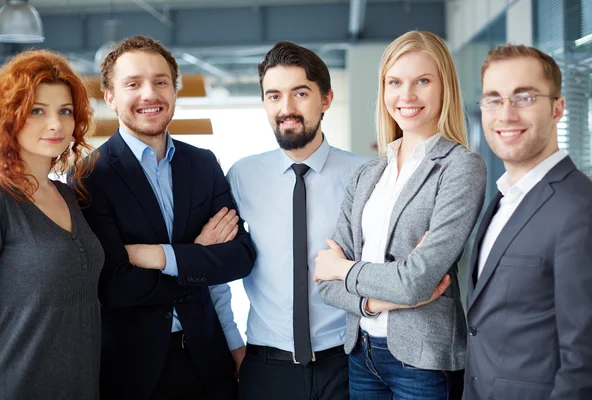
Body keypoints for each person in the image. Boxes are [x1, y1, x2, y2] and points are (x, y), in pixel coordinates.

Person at [76, 36, 256, 400]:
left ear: (174, 90)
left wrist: (162, 256)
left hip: (210, 362)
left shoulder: (203, 163)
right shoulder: (91, 175)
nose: (149, 94)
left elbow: (240, 257)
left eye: (160, 82)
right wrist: (197, 255)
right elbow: (114, 286)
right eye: (133, 84)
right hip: (133, 373)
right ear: (110, 96)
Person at [315, 30, 486, 400]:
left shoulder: (460, 167)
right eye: (395, 82)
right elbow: (323, 284)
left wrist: (342, 268)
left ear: (445, 88)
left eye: (422, 81)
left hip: (423, 360)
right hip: (362, 353)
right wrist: (380, 301)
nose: (406, 96)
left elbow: (416, 282)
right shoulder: (367, 174)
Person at [226, 41, 368, 400]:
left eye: (300, 93)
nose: (285, 108)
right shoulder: (242, 176)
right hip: (265, 366)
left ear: (326, 99)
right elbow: (218, 268)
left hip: (349, 363)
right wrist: (231, 344)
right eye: (273, 96)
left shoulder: (365, 175)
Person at [463, 44, 592, 400]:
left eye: (523, 98)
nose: (505, 114)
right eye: (494, 99)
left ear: (557, 109)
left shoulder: (582, 209)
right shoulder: (502, 198)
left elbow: (587, 361)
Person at [0, 49, 104, 399]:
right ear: (10, 116)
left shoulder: (69, 195)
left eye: (65, 111)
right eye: (37, 111)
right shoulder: (3, 200)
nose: (56, 124)